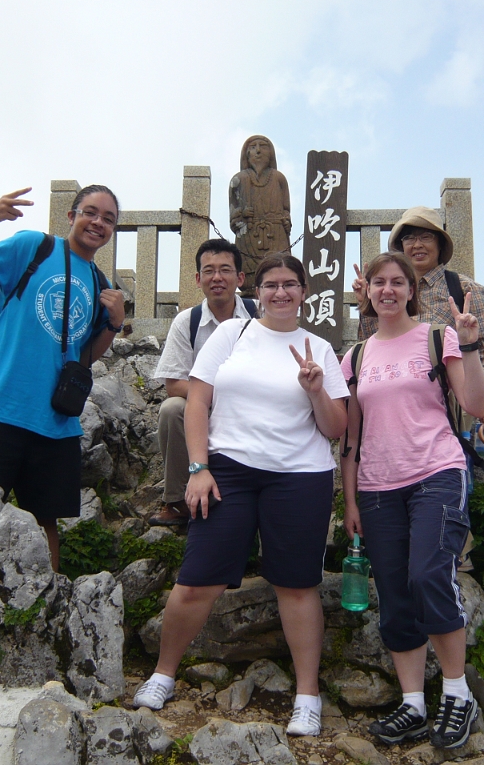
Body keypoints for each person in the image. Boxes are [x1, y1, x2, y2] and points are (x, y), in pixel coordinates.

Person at [132, 254, 348, 738]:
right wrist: (198, 468)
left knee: (297, 584)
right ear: (259, 289)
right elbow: (198, 401)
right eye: (272, 284)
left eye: (290, 284)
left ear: (304, 291)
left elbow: (336, 428)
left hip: (299, 475)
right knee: (198, 578)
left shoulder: (320, 349)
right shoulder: (233, 334)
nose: (281, 293)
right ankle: (163, 673)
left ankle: (307, 696)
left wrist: (315, 389)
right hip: (228, 469)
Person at [0, 186, 126, 572]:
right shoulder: (34, 248)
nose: (98, 222)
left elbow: (84, 356)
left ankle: (42, 605)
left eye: (108, 218)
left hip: (55, 423)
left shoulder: (100, 284)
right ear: (71, 215)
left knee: (45, 520)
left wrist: (114, 323)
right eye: (90, 212)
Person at [340, 252, 484, 750]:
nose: (387, 290)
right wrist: (351, 501)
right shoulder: (356, 356)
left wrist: (468, 345)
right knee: (395, 594)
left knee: (429, 575)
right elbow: (350, 440)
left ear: (411, 290)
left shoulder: (436, 337)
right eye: (378, 282)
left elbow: (475, 406)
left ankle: (456, 693)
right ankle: (412, 704)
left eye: (397, 282)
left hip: (436, 473)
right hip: (378, 487)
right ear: (367, 291)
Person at [351, 206, 484, 433]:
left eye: (426, 237)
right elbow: (370, 348)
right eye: (409, 238)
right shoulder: (387, 292)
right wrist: (367, 303)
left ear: (440, 244)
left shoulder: (465, 288)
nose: (417, 245)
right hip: (396, 409)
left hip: (451, 408)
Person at [149, 239, 256, 527]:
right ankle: (177, 501)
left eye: (225, 270)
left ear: (240, 278)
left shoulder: (260, 315)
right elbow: (174, 384)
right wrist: (220, 397)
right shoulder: (187, 321)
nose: (217, 278)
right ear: (198, 279)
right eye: (208, 271)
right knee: (172, 409)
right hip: (205, 406)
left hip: (256, 407)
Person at [229, 135, 292, 296]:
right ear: (246, 154)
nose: (258, 150)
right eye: (253, 147)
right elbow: (233, 216)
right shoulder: (238, 180)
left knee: (280, 271)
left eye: (263, 146)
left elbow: (286, 209)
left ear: (271, 153)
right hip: (249, 233)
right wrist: (242, 214)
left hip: (275, 234)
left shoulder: (279, 179)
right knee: (248, 275)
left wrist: (286, 221)